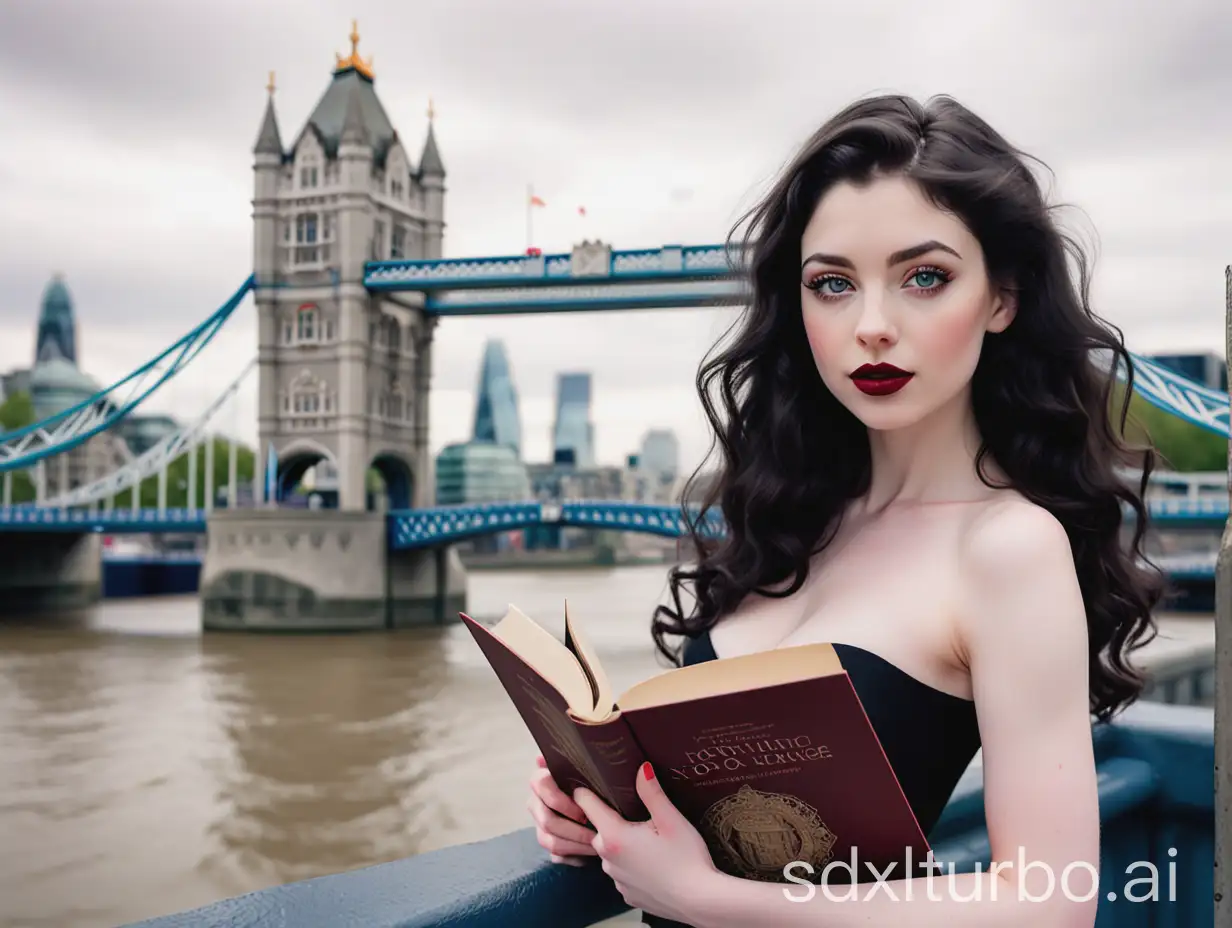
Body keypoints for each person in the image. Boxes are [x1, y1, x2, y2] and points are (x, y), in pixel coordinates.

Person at [526, 93, 1162, 927]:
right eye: (832, 284)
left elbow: (1053, 904)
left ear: (1002, 298)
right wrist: (601, 811)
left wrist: (705, 898)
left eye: (924, 278)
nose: (872, 326)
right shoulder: (791, 515)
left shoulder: (1008, 547)